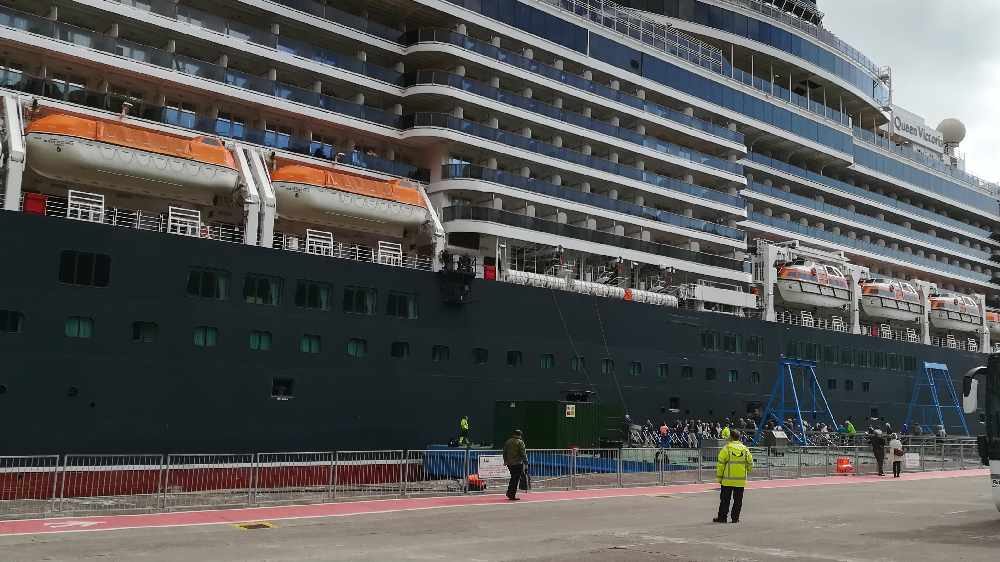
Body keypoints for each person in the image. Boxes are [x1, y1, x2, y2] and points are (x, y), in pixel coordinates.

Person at [713, 429, 753, 524]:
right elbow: (750, 463)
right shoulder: (745, 449)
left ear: (730, 437)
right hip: (740, 481)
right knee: (738, 501)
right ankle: (735, 518)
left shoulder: (726, 449)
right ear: (739, 438)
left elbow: (721, 465)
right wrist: (747, 471)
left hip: (727, 480)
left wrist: (719, 478)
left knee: (725, 500)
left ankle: (722, 518)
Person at [503, 429, 527, 500]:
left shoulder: (508, 441)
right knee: (515, 479)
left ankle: (509, 492)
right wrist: (526, 461)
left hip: (509, 463)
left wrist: (505, 461)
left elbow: (504, 452)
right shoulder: (520, 442)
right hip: (517, 463)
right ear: (520, 435)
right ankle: (511, 494)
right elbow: (523, 453)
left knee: (513, 478)